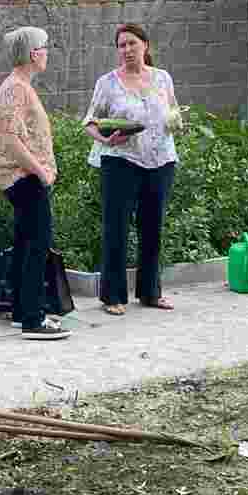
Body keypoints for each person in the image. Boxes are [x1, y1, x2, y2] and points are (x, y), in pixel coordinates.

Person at [82, 21, 184, 315]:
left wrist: (179, 123)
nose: (126, 50)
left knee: (153, 227)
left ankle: (151, 293)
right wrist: (105, 139)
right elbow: (90, 121)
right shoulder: (108, 83)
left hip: (161, 160)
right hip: (120, 161)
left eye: (131, 43)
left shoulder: (163, 78)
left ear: (145, 45)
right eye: (121, 45)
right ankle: (112, 297)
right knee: (116, 228)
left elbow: (173, 111)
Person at [0, 26, 70, 341]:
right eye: (45, 47)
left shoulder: (21, 86)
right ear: (32, 53)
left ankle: (23, 310)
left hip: (24, 177)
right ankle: (34, 321)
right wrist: (40, 171)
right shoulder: (15, 88)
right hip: (23, 177)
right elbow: (10, 141)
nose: (47, 52)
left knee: (27, 243)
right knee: (38, 244)